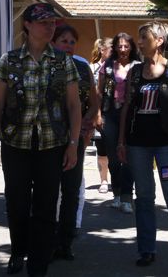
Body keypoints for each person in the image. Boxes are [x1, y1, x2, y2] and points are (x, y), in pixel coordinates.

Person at [0, 3, 81, 276]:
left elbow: (74, 105)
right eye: (43, 22)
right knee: (17, 203)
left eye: (52, 22)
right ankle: (18, 250)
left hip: (52, 144)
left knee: (46, 205)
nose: (49, 27)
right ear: (27, 25)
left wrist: (73, 145)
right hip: (16, 143)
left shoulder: (63, 61)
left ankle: (38, 265)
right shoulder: (9, 60)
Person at [117, 21, 168, 273]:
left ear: (160, 41)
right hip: (137, 144)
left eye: (144, 37)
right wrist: (121, 141)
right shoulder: (135, 72)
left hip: (167, 143)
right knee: (144, 197)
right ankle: (146, 250)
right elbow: (126, 108)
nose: (140, 42)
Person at [51, 24, 99, 260]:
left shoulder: (81, 66)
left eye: (72, 42)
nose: (69, 46)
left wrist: (86, 124)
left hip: (74, 137)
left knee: (71, 190)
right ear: (53, 42)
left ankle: (66, 240)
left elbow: (93, 102)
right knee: (48, 190)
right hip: (48, 138)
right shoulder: (44, 64)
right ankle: (47, 240)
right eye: (64, 41)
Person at [97, 32, 139, 213]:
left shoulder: (138, 66)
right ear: (114, 47)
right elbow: (98, 91)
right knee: (113, 158)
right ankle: (117, 193)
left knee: (129, 157)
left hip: (131, 115)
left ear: (131, 48)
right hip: (110, 113)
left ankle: (127, 197)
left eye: (126, 46)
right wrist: (97, 114)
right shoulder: (107, 66)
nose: (123, 49)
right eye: (119, 46)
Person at [90, 38, 112, 193]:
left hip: (115, 113)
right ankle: (104, 180)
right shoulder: (92, 68)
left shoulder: (119, 68)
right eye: (112, 48)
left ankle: (119, 180)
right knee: (102, 149)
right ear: (102, 50)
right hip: (99, 113)